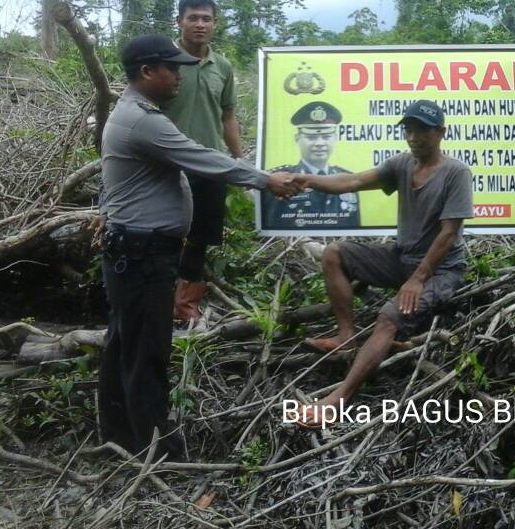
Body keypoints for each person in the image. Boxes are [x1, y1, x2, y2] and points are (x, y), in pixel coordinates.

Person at [98, 34, 302, 461]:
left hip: (134, 251)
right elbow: (203, 158)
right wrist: (265, 179)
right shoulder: (144, 121)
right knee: (147, 350)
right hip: (141, 254)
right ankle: (158, 454)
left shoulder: (135, 111)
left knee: (125, 342)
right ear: (147, 72)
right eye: (171, 68)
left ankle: (118, 435)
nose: (179, 75)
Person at [285, 100, 472, 428]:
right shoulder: (402, 164)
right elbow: (352, 182)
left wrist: (417, 279)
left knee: (388, 317)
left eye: (422, 130)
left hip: (440, 271)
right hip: (402, 258)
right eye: (408, 129)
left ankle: (337, 400)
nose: (413, 136)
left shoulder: (455, 173)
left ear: (440, 132)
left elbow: (448, 234)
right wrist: (306, 180)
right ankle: (346, 335)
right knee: (334, 253)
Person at [161, 0, 242, 321]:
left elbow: (228, 117)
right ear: (179, 21)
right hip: (167, 165)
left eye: (206, 19)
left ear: (215, 24)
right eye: (193, 17)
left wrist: (240, 160)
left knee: (199, 239)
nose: (199, 24)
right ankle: (155, 302)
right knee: (163, 235)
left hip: (210, 166)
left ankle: (185, 308)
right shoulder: (164, 61)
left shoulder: (222, 66)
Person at [261, 101, 361, 229]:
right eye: (311, 137)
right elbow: (271, 224)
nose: (319, 143)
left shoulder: (348, 178)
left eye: (326, 137)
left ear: (335, 138)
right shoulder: (280, 178)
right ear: (297, 138)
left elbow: (354, 228)